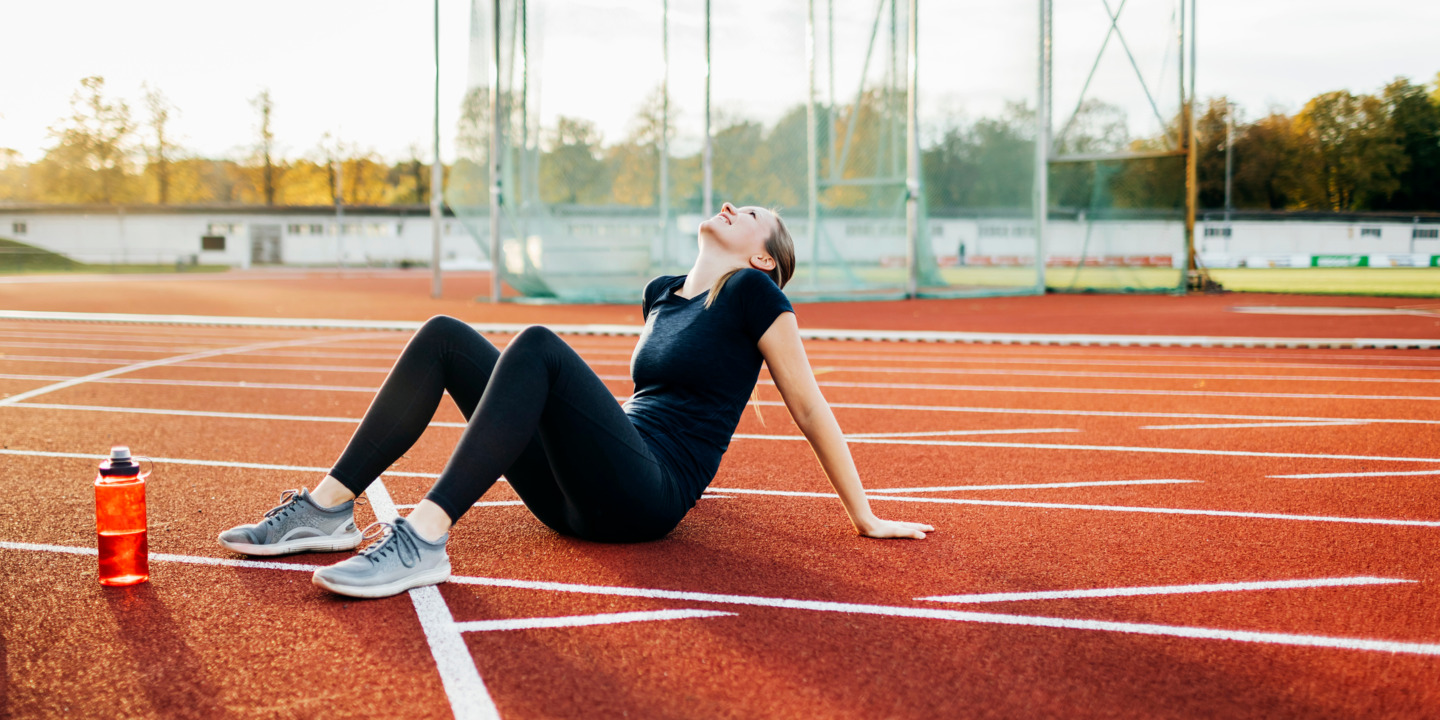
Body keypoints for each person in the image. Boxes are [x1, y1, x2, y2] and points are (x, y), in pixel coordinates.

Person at [218, 202, 934, 599]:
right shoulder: (661, 294)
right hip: (578, 496)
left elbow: (808, 406)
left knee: (535, 344)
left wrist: (864, 515)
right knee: (444, 337)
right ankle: (327, 509)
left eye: (751, 213)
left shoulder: (754, 294)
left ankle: (424, 539)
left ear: (764, 258)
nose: (730, 205)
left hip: (644, 497)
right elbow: (654, 395)